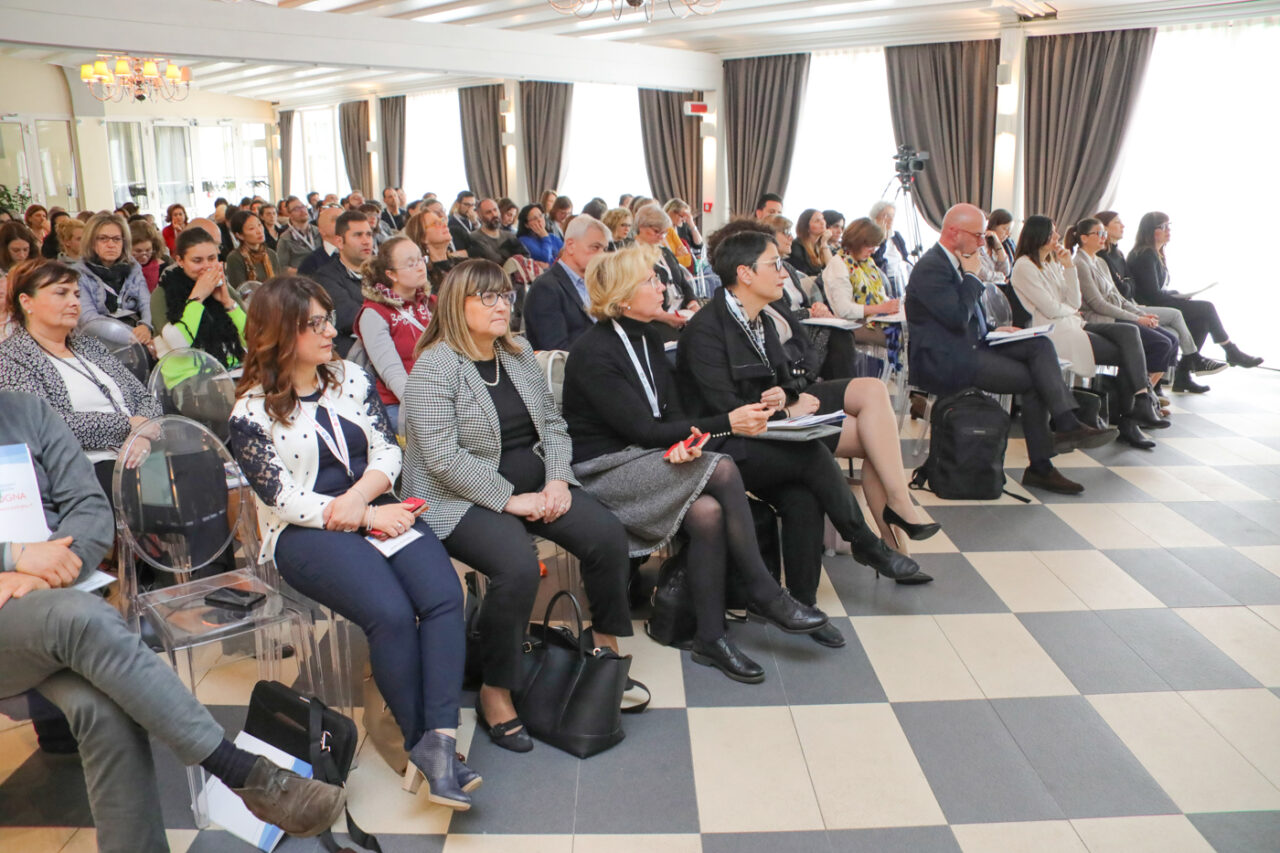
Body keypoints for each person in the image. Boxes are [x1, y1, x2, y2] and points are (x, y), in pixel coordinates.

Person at [0, 391, 348, 852]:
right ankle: (241, 772)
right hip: (42, 609)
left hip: (44, 596)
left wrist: (49, 570)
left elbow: (88, 505)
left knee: (105, 709)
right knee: (84, 618)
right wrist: (14, 555)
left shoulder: (24, 410)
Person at [228, 277, 475, 809]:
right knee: (388, 613)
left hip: (376, 507)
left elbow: (388, 450)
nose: (329, 330)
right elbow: (283, 498)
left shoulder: (349, 378)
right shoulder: (249, 412)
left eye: (327, 318)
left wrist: (366, 503)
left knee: (443, 598)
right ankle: (420, 742)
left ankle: (441, 739)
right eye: (313, 323)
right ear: (279, 333)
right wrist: (365, 518)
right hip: (304, 533)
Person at [563, 246, 828, 682]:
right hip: (603, 468)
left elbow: (665, 420)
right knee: (722, 467)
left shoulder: (647, 336)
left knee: (709, 511)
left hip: (645, 456)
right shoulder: (593, 352)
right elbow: (640, 430)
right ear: (624, 297)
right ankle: (765, 591)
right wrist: (726, 424)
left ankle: (710, 636)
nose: (662, 285)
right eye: (651, 280)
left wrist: (685, 445)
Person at [399, 259, 633, 753]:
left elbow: (554, 425)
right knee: (518, 568)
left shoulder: (518, 352)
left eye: (504, 295)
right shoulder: (436, 366)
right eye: (487, 297)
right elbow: (442, 458)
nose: (501, 304)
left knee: (607, 537)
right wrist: (511, 500)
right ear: (455, 305)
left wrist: (557, 481)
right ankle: (496, 690)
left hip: (534, 478)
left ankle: (604, 651)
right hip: (456, 495)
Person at [679, 231, 929, 648]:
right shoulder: (707, 330)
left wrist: (785, 396)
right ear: (744, 273)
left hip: (755, 435)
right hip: (715, 446)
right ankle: (864, 541)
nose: (783, 273)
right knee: (811, 454)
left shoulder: (759, 317)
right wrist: (783, 410)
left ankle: (804, 604)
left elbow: (788, 378)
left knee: (803, 495)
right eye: (773, 264)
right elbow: (722, 408)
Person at [905, 204, 1117, 495]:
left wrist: (995, 331)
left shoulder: (958, 260)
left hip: (970, 345)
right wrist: (972, 277)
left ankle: (1066, 424)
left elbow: (966, 320)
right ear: (954, 232)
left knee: (1039, 344)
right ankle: (1042, 465)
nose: (983, 242)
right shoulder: (932, 266)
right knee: (1034, 382)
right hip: (944, 358)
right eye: (978, 235)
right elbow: (955, 319)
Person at [0, 259, 162, 498]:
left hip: (137, 452)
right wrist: (128, 427)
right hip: (81, 469)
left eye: (76, 294)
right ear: (27, 302)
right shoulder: (11, 357)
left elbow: (144, 397)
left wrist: (142, 436)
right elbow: (48, 426)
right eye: (61, 293)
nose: (74, 302)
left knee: (200, 463)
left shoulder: (88, 346)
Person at [1012, 215, 1168, 450]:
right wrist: (1069, 309)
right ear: (1039, 235)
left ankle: (1142, 400)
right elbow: (1052, 309)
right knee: (1123, 352)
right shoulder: (1024, 266)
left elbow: (1074, 300)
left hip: (1072, 323)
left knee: (1128, 333)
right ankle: (1132, 418)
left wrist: (1068, 268)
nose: (1057, 236)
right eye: (1053, 232)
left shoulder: (1052, 262)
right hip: (1054, 331)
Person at [1096, 210, 1213, 392]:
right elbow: (1121, 293)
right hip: (1128, 309)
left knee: (1192, 324)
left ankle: (1159, 385)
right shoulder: (1110, 257)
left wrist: (1127, 287)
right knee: (1194, 312)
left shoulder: (1118, 254)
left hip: (1132, 305)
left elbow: (1129, 287)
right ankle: (1195, 359)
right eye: (1117, 222)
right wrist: (1131, 299)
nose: (1123, 225)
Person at [1129, 211, 1261, 369]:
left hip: (1161, 302)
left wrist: (1177, 294)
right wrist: (1176, 296)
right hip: (1150, 307)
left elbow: (1157, 290)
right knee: (1207, 307)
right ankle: (1230, 351)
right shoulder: (1145, 255)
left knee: (1203, 321)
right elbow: (1153, 295)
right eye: (1163, 227)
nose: (1168, 230)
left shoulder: (1157, 254)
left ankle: (1183, 375)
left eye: (1168, 226)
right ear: (1150, 230)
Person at [1068, 216, 1179, 405]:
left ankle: (1146, 392)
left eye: (1104, 233)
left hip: (1115, 313)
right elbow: (1098, 304)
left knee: (1172, 340)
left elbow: (1119, 298)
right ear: (1084, 238)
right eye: (1099, 233)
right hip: (1101, 318)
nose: (1104, 237)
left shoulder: (1100, 262)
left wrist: (1142, 314)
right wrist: (1136, 320)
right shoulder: (1079, 263)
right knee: (1160, 343)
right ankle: (1140, 397)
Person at [355, 235, 432, 429]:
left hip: (439, 393)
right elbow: (392, 373)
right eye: (410, 263)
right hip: (400, 403)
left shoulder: (432, 303)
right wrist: (423, 409)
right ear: (391, 274)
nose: (420, 266)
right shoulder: (375, 313)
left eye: (421, 259)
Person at [156, 228, 246, 370]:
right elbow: (178, 345)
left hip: (231, 369)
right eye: (197, 261)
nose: (206, 266)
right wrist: (197, 298)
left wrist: (228, 303)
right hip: (189, 381)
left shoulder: (221, 287)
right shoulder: (163, 292)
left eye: (212, 258)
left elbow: (253, 340)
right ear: (180, 260)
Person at [523, 215, 609, 351]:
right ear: (570, 246)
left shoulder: (598, 283)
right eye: (595, 247)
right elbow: (557, 351)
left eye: (604, 249)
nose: (602, 255)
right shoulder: (545, 288)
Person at [70, 213, 153, 348]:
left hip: (136, 338)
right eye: (103, 239)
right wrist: (133, 335)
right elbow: (88, 319)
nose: (111, 244)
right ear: (91, 242)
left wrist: (145, 326)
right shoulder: (77, 273)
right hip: (96, 343)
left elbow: (146, 302)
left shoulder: (133, 267)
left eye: (116, 239)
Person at [823, 218, 902, 344]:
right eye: (870, 245)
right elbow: (844, 310)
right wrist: (881, 308)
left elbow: (880, 296)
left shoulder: (867, 263)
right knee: (902, 335)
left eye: (875, 245)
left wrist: (892, 306)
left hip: (873, 318)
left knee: (913, 325)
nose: (873, 250)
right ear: (857, 242)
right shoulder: (838, 264)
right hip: (852, 324)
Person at [306, 210, 374, 358]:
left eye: (369, 234)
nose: (366, 241)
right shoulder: (325, 277)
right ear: (339, 242)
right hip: (353, 354)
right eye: (357, 235)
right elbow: (352, 319)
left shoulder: (382, 272)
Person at [633, 204, 699, 336]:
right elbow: (638, 302)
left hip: (679, 312)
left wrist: (693, 305)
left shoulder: (665, 252)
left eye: (664, 232)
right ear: (641, 227)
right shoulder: (631, 256)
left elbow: (682, 282)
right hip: (654, 319)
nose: (661, 237)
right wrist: (667, 318)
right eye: (657, 231)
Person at [406, 209, 464, 292]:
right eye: (436, 223)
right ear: (422, 237)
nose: (444, 224)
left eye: (442, 220)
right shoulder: (423, 275)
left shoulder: (462, 264)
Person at [224, 210, 279, 291]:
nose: (259, 231)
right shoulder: (235, 258)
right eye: (252, 228)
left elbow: (280, 284)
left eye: (259, 225)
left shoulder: (271, 254)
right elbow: (240, 291)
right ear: (239, 235)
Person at [465, 198, 528, 265]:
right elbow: (496, 261)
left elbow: (526, 256)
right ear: (480, 216)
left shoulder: (509, 235)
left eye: (495, 210)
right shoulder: (475, 237)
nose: (494, 214)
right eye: (488, 212)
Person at [870, 200, 913, 297]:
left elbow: (905, 258)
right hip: (884, 280)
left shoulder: (896, 235)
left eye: (892, 216)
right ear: (875, 218)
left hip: (902, 277)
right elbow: (877, 260)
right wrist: (883, 238)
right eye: (886, 216)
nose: (890, 219)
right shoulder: (870, 238)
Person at [278, 197, 324, 275]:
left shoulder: (320, 231)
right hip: (300, 280)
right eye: (296, 209)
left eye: (303, 206)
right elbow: (282, 268)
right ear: (290, 215)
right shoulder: (285, 239)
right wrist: (303, 271)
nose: (302, 210)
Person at [296, 207, 342, 277]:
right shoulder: (310, 263)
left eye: (346, 219)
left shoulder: (357, 254)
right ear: (322, 230)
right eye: (336, 219)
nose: (343, 223)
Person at [663, 199, 703, 273]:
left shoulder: (683, 227)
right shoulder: (663, 231)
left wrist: (691, 224)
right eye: (682, 216)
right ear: (671, 212)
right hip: (677, 268)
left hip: (690, 266)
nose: (684, 220)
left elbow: (699, 244)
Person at [129, 219, 168, 294]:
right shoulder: (122, 269)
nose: (144, 257)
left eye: (148, 250)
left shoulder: (164, 269)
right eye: (138, 251)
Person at [788, 209, 831, 277]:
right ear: (806, 227)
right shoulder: (797, 246)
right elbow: (801, 276)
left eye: (823, 219)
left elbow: (832, 269)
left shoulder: (821, 244)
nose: (822, 223)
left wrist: (824, 243)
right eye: (817, 221)